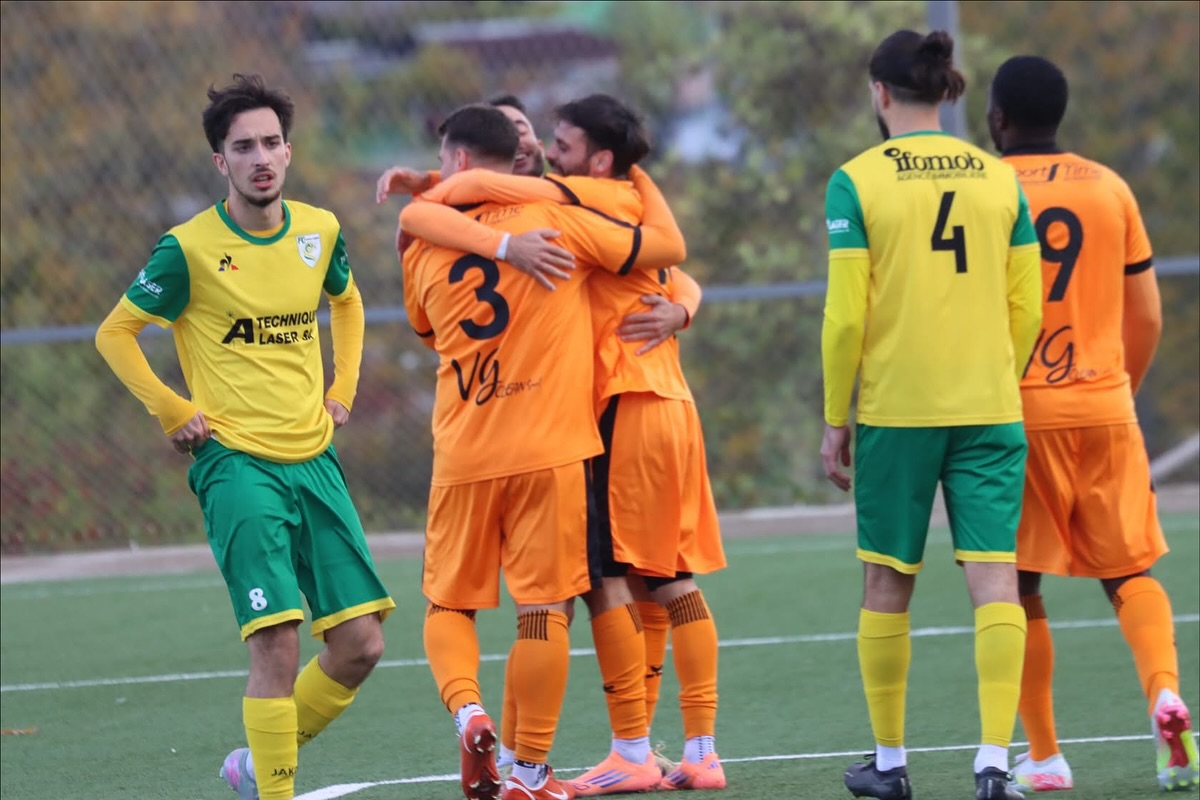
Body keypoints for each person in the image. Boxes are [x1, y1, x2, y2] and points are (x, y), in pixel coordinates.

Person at [400, 94, 727, 795]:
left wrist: (679, 307)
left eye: (550, 139)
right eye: (525, 136)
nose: (538, 147)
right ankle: (546, 765)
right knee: (595, 594)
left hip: (539, 427)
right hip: (577, 434)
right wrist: (681, 305)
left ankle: (612, 748)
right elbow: (668, 259)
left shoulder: (450, 233)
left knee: (603, 584)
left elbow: (425, 307)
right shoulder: (570, 220)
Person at [94, 74, 395, 800]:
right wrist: (171, 408)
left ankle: (259, 768)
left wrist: (343, 389)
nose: (260, 158)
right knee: (277, 642)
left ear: (288, 152)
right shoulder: (188, 248)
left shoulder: (320, 230)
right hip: (235, 464)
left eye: (270, 143)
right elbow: (115, 334)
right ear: (219, 162)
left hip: (314, 457)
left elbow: (348, 302)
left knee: (360, 645)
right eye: (243, 147)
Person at [819, 31, 1042, 800]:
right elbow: (1028, 306)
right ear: (944, 91)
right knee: (996, 578)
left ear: (880, 92)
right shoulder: (999, 178)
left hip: (898, 410)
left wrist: (836, 416)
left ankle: (890, 766)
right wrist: (997, 376)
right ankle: (994, 764)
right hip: (989, 406)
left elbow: (845, 317)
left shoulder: (856, 180)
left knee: (887, 581)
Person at [987, 55, 1199, 794]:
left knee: (1014, 584)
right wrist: (1118, 391)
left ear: (997, 118)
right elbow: (1148, 315)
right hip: (1106, 405)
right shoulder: (1110, 187)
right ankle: (1165, 696)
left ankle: (1045, 757)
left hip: (1017, 415)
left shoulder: (986, 189)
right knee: (1129, 571)